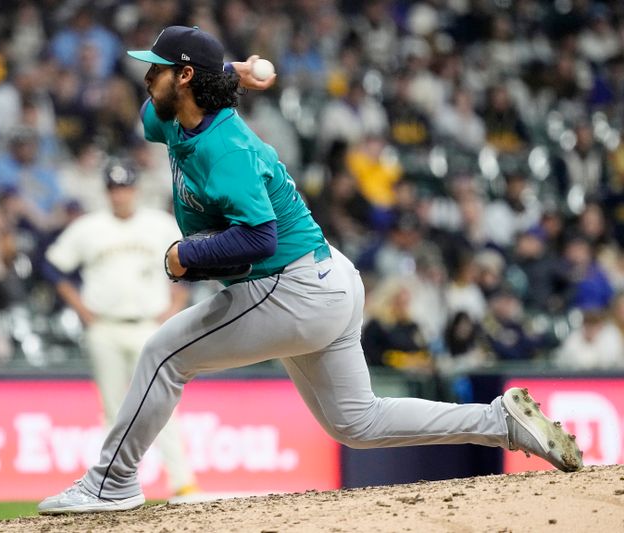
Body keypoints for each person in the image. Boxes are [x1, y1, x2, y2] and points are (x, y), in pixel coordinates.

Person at [38, 26, 583, 514]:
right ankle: (498, 423)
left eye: (155, 66)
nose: (146, 74)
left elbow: (259, 236)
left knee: (162, 355)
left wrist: (183, 257)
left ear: (182, 77)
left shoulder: (225, 147)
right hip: (329, 278)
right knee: (357, 423)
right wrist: (233, 71)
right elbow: (157, 111)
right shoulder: (176, 118)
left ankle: (112, 483)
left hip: (291, 286)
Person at [43, 160, 197, 498]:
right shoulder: (89, 227)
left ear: (135, 189)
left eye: (125, 187)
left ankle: (182, 483)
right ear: (106, 192)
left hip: (148, 325)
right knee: (112, 409)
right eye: (114, 189)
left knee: (160, 404)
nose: (120, 194)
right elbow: (53, 267)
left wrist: (174, 307)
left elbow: (191, 264)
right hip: (105, 327)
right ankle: (113, 485)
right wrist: (81, 308)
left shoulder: (159, 223)